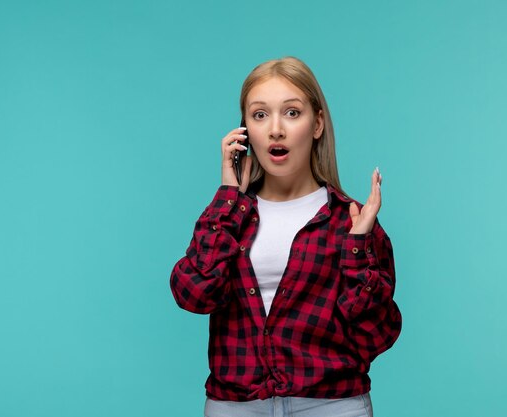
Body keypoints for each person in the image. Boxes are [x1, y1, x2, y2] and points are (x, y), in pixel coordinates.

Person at [170, 56, 401, 417]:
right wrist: (228, 197)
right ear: (245, 129)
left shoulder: (351, 220)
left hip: (332, 405)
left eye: (292, 113)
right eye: (260, 115)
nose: (275, 129)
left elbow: (378, 335)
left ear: (317, 124)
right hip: (237, 406)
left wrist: (357, 248)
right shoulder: (230, 215)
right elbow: (195, 295)